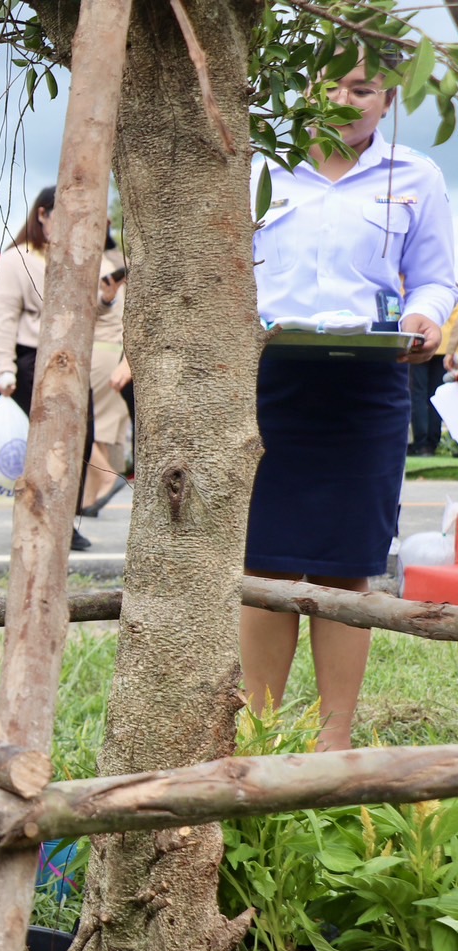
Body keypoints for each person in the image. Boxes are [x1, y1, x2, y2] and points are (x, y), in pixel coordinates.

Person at [243, 57, 454, 752]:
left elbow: (432, 278)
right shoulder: (257, 168)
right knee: (264, 560)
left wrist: (424, 318)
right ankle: (261, 733)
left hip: (369, 385)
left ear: (388, 100)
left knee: (346, 561)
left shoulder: (415, 177)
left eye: (360, 89)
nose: (342, 99)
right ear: (301, 91)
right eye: (326, 83)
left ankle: (333, 744)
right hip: (270, 379)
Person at [0, 186, 109, 551]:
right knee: (36, 445)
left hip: (72, 359)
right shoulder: (17, 259)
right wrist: (4, 368)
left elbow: (90, 312)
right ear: (42, 214)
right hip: (30, 360)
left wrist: (105, 298)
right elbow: (5, 317)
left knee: (79, 439)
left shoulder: (81, 257)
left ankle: (65, 520)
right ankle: (32, 517)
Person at [80, 231, 130, 515]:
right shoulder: (112, 263)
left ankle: (106, 478)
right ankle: (89, 499)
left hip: (96, 351)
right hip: (114, 352)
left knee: (81, 425)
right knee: (98, 430)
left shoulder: (90, 264)